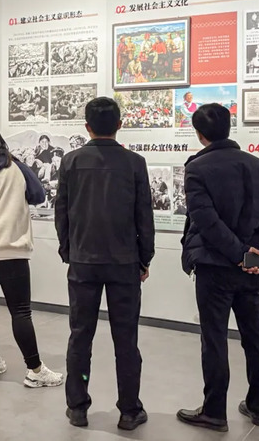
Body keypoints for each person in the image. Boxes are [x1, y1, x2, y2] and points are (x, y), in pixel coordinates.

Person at [177, 104, 259, 433]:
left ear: (200, 134)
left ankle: (214, 412)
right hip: (252, 267)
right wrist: (255, 253)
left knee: (214, 339)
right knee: (254, 335)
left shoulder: (197, 168)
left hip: (214, 265)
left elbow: (205, 220)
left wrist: (240, 254)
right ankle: (258, 405)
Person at [55, 97, 155, 431]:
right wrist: (145, 258)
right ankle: (129, 410)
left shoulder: (70, 162)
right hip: (124, 262)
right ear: (119, 125)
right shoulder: (135, 163)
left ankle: (77, 406)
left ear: (87, 127)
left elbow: (61, 212)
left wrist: (68, 251)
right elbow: (144, 216)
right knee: (126, 339)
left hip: (83, 260)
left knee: (80, 335)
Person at [0, 126, 64, 387]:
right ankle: (35, 370)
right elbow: (39, 195)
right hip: (12, 250)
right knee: (20, 311)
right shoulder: (16, 168)